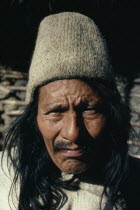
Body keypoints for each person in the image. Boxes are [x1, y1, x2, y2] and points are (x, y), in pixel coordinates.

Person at [0, 12, 139, 210]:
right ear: (34, 117)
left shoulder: (135, 184)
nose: (73, 132)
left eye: (89, 110)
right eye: (56, 111)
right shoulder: (3, 181)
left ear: (111, 113)